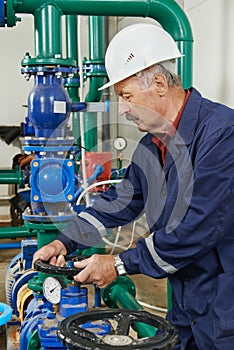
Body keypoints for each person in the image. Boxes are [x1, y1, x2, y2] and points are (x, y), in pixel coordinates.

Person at [33, 23, 234, 349]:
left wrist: (118, 264)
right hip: (187, 301)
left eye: (126, 96)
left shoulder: (222, 134)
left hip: (225, 305)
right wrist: (65, 241)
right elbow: (120, 200)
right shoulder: (152, 146)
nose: (123, 108)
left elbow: (196, 228)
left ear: (157, 84)